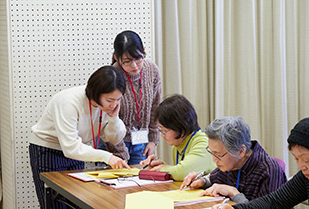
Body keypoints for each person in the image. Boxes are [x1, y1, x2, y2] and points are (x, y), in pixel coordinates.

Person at [29, 65, 130, 209]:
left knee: (77, 202)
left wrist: (113, 118)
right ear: (96, 93)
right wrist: (107, 157)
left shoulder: (108, 106)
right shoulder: (68, 101)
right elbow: (70, 147)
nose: (114, 105)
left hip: (77, 150)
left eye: (118, 100)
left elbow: (113, 138)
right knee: (55, 205)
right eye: (109, 100)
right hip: (48, 149)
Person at [180, 116, 287, 203]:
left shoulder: (269, 171)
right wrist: (202, 181)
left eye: (218, 154)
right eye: (211, 152)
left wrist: (233, 193)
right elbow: (214, 179)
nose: (214, 160)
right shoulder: (232, 163)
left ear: (241, 151)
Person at [211, 117, 309, 209]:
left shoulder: (268, 168)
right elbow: (273, 201)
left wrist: (234, 194)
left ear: (241, 151)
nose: (301, 166)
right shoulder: (305, 178)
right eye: (296, 159)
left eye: (306, 160)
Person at [99, 30, 162, 165]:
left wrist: (153, 140)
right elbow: (106, 121)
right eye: (127, 61)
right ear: (117, 57)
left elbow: (155, 107)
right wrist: (121, 152)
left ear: (143, 51)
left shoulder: (152, 70)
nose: (134, 65)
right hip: (113, 143)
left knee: (139, 182)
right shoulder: (112, 77)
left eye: (138, 58)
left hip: (141, 142)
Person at [139, 94, 216, 181]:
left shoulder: (203, 143)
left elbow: (183, 172)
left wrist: (163, 169)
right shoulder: (179, 145)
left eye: (164, 130)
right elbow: (180, 171)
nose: (162, 135)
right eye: (161, 130)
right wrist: (160, 165)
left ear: (181, 128)